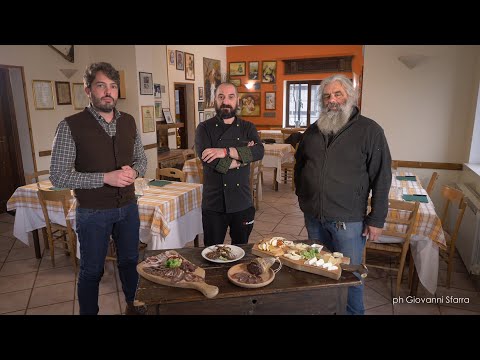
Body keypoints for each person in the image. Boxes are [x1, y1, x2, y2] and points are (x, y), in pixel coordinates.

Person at [50, 62, 148, 315]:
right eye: (101, 85)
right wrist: (105, 177)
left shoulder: (128, 121)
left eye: (113, 86)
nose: (108, 92)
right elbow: (58, 177)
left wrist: (134, 172)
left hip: (128, 207)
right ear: (88, 90)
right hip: (92, 212)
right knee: (92, 270)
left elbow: (142, 159)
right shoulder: (70, 125)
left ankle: (134, 306)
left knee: (129, 261)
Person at [294, 74, 392, 315]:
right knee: (318, 270)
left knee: (350, 276)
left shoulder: (370, 130)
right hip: (314, 218)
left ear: (350, 96)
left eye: (338, 94)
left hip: (347, 221)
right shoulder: (314, 130)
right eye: (327, 96)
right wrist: (302, 196)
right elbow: (300, 164)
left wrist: (377, 218)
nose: (332, 100)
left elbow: (382, 175)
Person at [195, 82, 264, 246]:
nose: (225, 101)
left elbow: (259, 152)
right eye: (221, 97)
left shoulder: (248, 127)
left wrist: (225, 151)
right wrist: (242, 158)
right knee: (211, 251)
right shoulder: (204, 128)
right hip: (214, 204)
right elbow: (215, 164)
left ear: (237, 101)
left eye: (230, 97)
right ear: (215, 100)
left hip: (242, 202)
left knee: (241, 250)